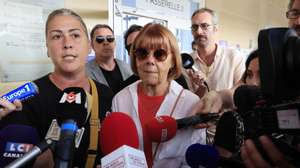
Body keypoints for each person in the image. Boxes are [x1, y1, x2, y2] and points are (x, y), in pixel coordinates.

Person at [0, 8, 113, 167]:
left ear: (89, 46)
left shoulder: (108, 95)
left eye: (75, 35)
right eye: (57, 36)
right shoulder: (25, 101)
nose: (67, 44)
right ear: (47, 48)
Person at [112, 23, 207, 167]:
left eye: (159, 54)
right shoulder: (120, 99)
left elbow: (195, 162)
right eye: (142, 53)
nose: (150, 60)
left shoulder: (191, 103)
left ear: (173, 61)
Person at [187, 8, 245, 93]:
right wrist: (201, 87)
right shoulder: (186, 63)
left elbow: (241, 93)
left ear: (215, 29)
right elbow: (187, 100)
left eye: (204, 26)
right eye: (194, 27)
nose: (199, 31)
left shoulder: (235, 57)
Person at [119, 24, 189, 91]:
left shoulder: (180, 86)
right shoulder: (122, 93)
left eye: (159, 54)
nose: (150, 59)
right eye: (140, 51)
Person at [86, 24, 133, 94]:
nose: (106, 42)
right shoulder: (84, 72)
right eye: (100, 39)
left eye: (110, 38)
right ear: (92, 45)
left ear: (115, 43)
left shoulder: (127, 68)